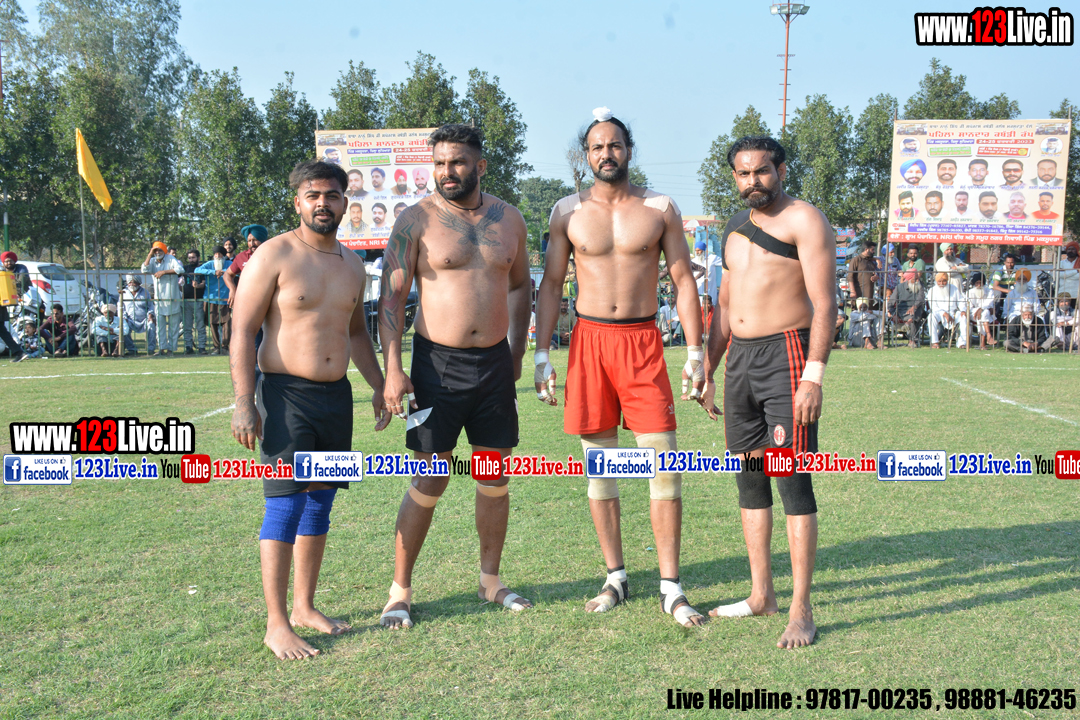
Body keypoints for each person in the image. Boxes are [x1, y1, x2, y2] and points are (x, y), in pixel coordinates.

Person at [534, 109, 705, 628]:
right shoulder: (566, 211)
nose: (606, 154)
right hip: (589, 344)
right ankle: (616, 577)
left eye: (614, 145)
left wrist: (695, 352)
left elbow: (683, 280)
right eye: (596, 147)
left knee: (663, 464)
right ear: (585, 156)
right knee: (601, 470)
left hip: (642, 342)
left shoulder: (660, 208)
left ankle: (671, 587)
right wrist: (541, 355)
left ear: (629, 150)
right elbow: (550, 284)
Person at [230, 159, 389, 660]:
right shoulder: (274, 254)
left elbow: (357, 332)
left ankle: (304, 607)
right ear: (297, 201)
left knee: (320, 502)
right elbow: (242, 331)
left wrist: (379, 384)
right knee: (284, 504)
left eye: (332, 195)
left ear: (345, 202)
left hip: (334, 398)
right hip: (284, 397)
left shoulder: (352, 264)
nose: (323, 203)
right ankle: (276, 624)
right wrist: (243, 402)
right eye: (313, 195)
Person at [378, 123, 533, 630]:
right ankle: (400, 591)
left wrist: (515, 353)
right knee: (431, 475)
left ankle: (490, 580)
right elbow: (391, 299)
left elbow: (520, 287)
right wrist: (393, 369)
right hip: (435, 366)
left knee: (494, 475)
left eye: (458, 162)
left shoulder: (510, 219)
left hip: (493, 364)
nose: (447, 172)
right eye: (440, 163)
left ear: (480, 165)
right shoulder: (414, 220)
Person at [702, 135, 836, 649]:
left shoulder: (805, 220)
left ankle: (801, 609)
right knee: (749, 479)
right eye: (743, 173)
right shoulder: (734, 227)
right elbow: (724, 305)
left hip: (787, 356)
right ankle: (762, 594)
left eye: (760, 171)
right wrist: (709, 368)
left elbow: (826, 303)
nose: (752, 181)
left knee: (792, 481)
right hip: (740, 360)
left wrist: (813, 376)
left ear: (780, 170)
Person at [141, 241, 184, 355]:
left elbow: (180, 269)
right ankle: (161, 349)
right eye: (155, 251)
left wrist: (164, 272)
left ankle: (171, 349)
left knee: (173, 327)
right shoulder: (152, 261)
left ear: (164, 251)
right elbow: (144, 269)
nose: (157, 253)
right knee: (160, 326)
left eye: (159, 250)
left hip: (172, 297)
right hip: (159, 299)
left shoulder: (170, 259)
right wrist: (150, 254)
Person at [194, 246, 232, 355]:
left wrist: (223, 272)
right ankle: (216, 347)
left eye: (220, 254)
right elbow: (197, 270)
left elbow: (237, 270)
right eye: (216, 254)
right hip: (210, 298)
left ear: (224, 256)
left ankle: (225, 346)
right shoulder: (210, 264)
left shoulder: (229, 264)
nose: (218, 256)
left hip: (225, 298)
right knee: (212, 323)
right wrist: (213, 272)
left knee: (226, 323)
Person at [0, 251, 29, 362]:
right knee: (2, 331)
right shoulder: (3, 268)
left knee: (2, 330)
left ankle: (19, 352)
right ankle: (19, 352)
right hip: (2, 302)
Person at [886, 270, 926, 348]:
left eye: (918, 278)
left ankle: (912, 339)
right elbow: (891, 303)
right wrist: (893, 314)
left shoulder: (920, 285)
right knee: (912, 316)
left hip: (917, 309)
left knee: (914, 314)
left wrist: (914, 307)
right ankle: (912, 338)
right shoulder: (899, 287)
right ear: (908, 279)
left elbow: (920, 298)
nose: (917, 281)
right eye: (915, 279)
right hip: (903, 311)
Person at [927, 272, 967, 349]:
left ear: (947, 281)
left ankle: (962, 343)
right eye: (939, 281)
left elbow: (961, 301)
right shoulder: (932, 290)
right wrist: (944, 313)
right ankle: (935, 342)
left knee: (963, 317)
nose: (941, 283)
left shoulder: (954, 288)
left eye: (944, 281)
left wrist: (963, 310)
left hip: (953, 313)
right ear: (936, 281)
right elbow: (933, 307)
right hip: (939, 313)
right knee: (931, 317)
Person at [181, 249, 207, 354]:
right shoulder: (185, 269)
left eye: (193, 257)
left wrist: (198, 286)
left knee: (200, 325)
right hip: (186, 299)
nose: (191, 260)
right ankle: (188, 346)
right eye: (189, 258)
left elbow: (204, 283)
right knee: (187, 326)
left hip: (199, 300)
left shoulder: (202, 268)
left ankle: (202, 347)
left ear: (198, 258)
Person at [121, 275, 155, 354]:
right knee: (123, 327)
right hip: (130, 319)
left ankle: (150, 349)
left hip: (144, 319)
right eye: (130, 283)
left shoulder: (145, 292)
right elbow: (121, 308)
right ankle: (131, 349)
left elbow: (150, 306)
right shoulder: (124, 292)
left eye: (134, 283)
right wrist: (124, 318)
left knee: (151, 325)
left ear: (139, 283)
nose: (132, 284)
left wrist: (150, 315)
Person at [966, 272, 997, 349]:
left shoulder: (989, 291)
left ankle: (984, 342)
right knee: (983, 314)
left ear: (984, 283)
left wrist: (981, 309)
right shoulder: (970, 292)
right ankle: (987, 337)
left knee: (984, 313)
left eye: (981, 283)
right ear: (974, 283)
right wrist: (978, 310)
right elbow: (970, 307)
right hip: (973, 314)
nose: (979, 285)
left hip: (988, 314)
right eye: (977, 283)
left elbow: (989, 303)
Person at [847, 240, 878, 306]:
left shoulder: (871, 261)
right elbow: (850, 277)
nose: (874, 252)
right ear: (866, 249)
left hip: (869, 294)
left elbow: (875, 273)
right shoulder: (856, 260)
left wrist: (875, 277)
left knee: (868, 310)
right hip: (859, 292)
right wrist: (852, 291)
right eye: (872, 250)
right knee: (858, 310)